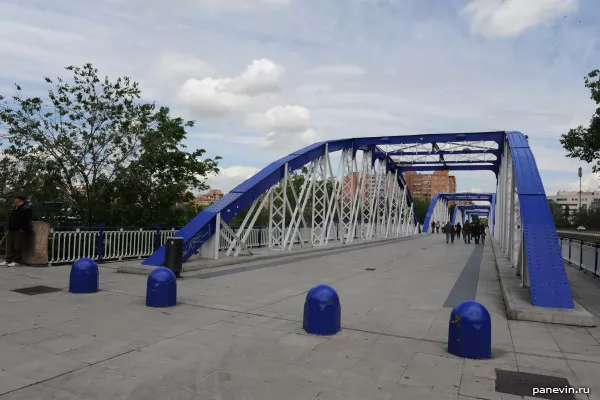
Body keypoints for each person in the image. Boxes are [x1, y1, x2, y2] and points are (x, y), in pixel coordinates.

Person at [0, 195, 33, 267]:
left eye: (15, 199)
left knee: (18, 246)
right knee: (10, 245)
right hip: (12, 229)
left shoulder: (26, 208)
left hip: (19, 230)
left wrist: (22, 228)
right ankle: (8, 260)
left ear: (20, 200)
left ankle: (17, 261)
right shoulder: (16, 207)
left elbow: (27, 220)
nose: (14, 200)